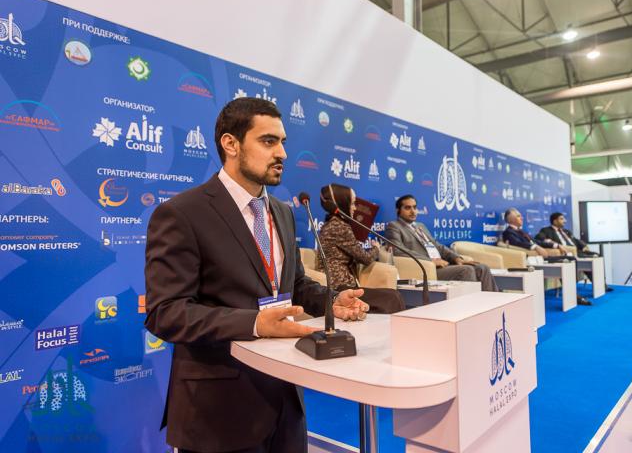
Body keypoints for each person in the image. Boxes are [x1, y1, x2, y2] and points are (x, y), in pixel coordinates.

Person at [144, 98, 369, 453]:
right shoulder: (182, 213)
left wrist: (332, 300)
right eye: (268, 141)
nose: (282, 153)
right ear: (230, 144)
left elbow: (293, 285)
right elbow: (166, 312)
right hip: (218, 413)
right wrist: (255, 323)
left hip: (286, 404)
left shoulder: (282, 212)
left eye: (283, 142)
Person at [316, 183, 405, 313]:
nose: (355, 208)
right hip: (339, 288)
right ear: (342, 203)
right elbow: (365, 258)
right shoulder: (339, 226)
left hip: (343, 285)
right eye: (352, 203)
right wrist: (376, 248)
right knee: (392, 297)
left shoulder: (333, 224)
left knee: (392, 296)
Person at [385, 194, 499, 291]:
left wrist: (456, 258)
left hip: (442, 264)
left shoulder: (420, 226)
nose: (413, 211)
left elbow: (437, 246)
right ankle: (471, 307)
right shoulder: (394, 226)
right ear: (398, 210)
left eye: (414, 207)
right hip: (427, 268)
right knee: (467, 270)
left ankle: (493, 304)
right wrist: (431, 261)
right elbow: (398, 250)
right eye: (407, 208)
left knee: (482, 268)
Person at [503, 208, 592, 306]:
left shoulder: (521, 231)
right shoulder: (508, 232)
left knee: (571, 260)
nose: (522, 218)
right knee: (568, 260)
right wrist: (536, 247)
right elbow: (517, 243)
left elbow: (538, 241)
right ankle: (574, 295)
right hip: (532, 260)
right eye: (518, 216)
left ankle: (573, 293)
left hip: (540, 258)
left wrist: (556, 245)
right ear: (510, 219)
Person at [536, 212, 613, 293]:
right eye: (561, 219)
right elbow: (539, 238)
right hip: (566, 253)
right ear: (555, 221)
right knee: (589, 261)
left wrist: (583, 246)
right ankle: (598, 286)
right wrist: (554, 243)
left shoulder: (566, 231)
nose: (564, 221)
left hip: (577, 251)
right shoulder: (546, 230)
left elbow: (575, 240)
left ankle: (602, 283)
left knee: (598, 255)